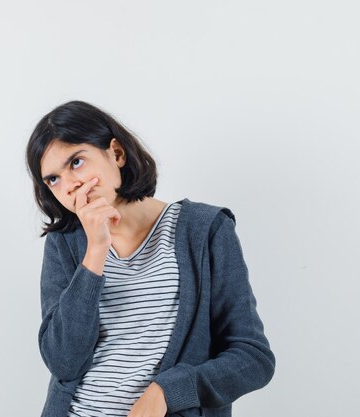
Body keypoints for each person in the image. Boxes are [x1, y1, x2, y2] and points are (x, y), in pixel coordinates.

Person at [25, 100, 276, 417]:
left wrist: (167, 392)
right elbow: (63, 361)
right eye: (53, 179)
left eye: (76, 162)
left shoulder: (204, 230)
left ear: (116, 153)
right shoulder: (66, 243)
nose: (70, 184)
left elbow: (253, 357)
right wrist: (95, 251)